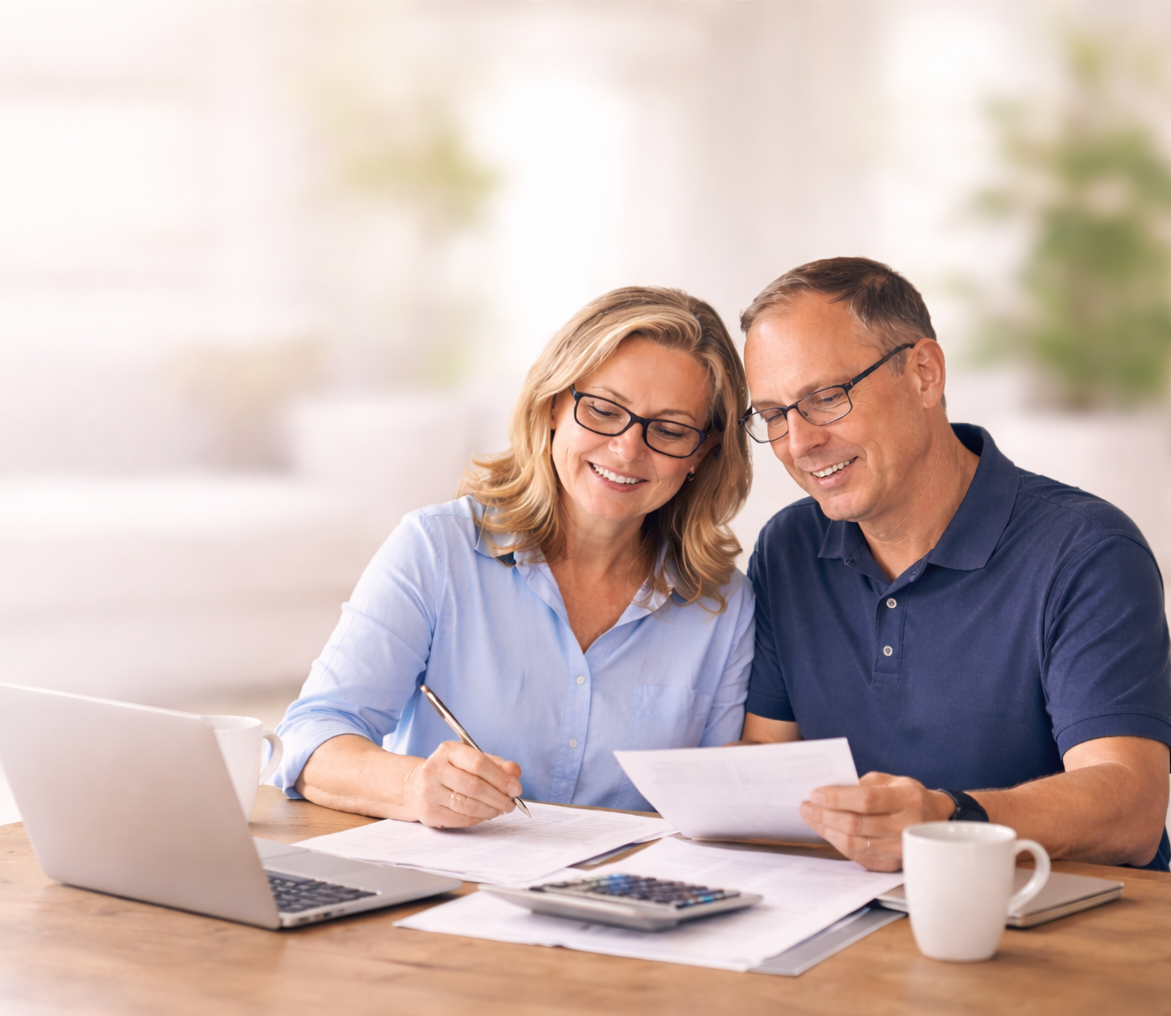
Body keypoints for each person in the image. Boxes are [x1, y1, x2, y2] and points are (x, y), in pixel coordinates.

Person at [738, 256, 1171, 872]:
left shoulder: (1087, 549)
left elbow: (1132, 811)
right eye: (775, 415)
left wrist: (947, 819)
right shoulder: (788, 549)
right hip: (863, 925)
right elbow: (765, 765)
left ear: (923, 373)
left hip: (1065, 935)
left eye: (826, 398)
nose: (800, 443)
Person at [271, 287, 756, 826]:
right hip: (451, 891)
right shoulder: (437, 550)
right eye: (601, 409)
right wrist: (413, 788)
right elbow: (311, 736)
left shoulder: (724, 606)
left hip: (629, 896)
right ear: (553, 406)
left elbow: (722, 810)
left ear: (703, 453)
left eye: (669, 429)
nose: (626, 449)